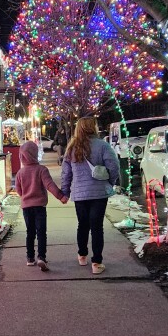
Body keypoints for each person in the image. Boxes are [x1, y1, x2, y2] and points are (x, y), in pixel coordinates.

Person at [61, 117, 120, 274]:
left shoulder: (72, 148)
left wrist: (65, 192)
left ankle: (82, 255)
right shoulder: (103, 146)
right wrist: (110, 182)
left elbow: (66, 173)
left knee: (83, 225)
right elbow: (114, 167)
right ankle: (97, 263)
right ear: (93, 127)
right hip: (99, 193)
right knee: (97, 227)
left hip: (80, 194)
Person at [15, 140, 68, 271]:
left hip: (26, 207)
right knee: (41, 232)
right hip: (39, 207)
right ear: (35, 154)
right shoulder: (41, 170)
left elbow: (19, 190)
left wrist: (25, 197)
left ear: (22, 156)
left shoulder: (20, 173)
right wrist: (61, 196)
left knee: (30, 232)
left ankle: (30, 258)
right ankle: (41, 257)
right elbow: (50, 185)